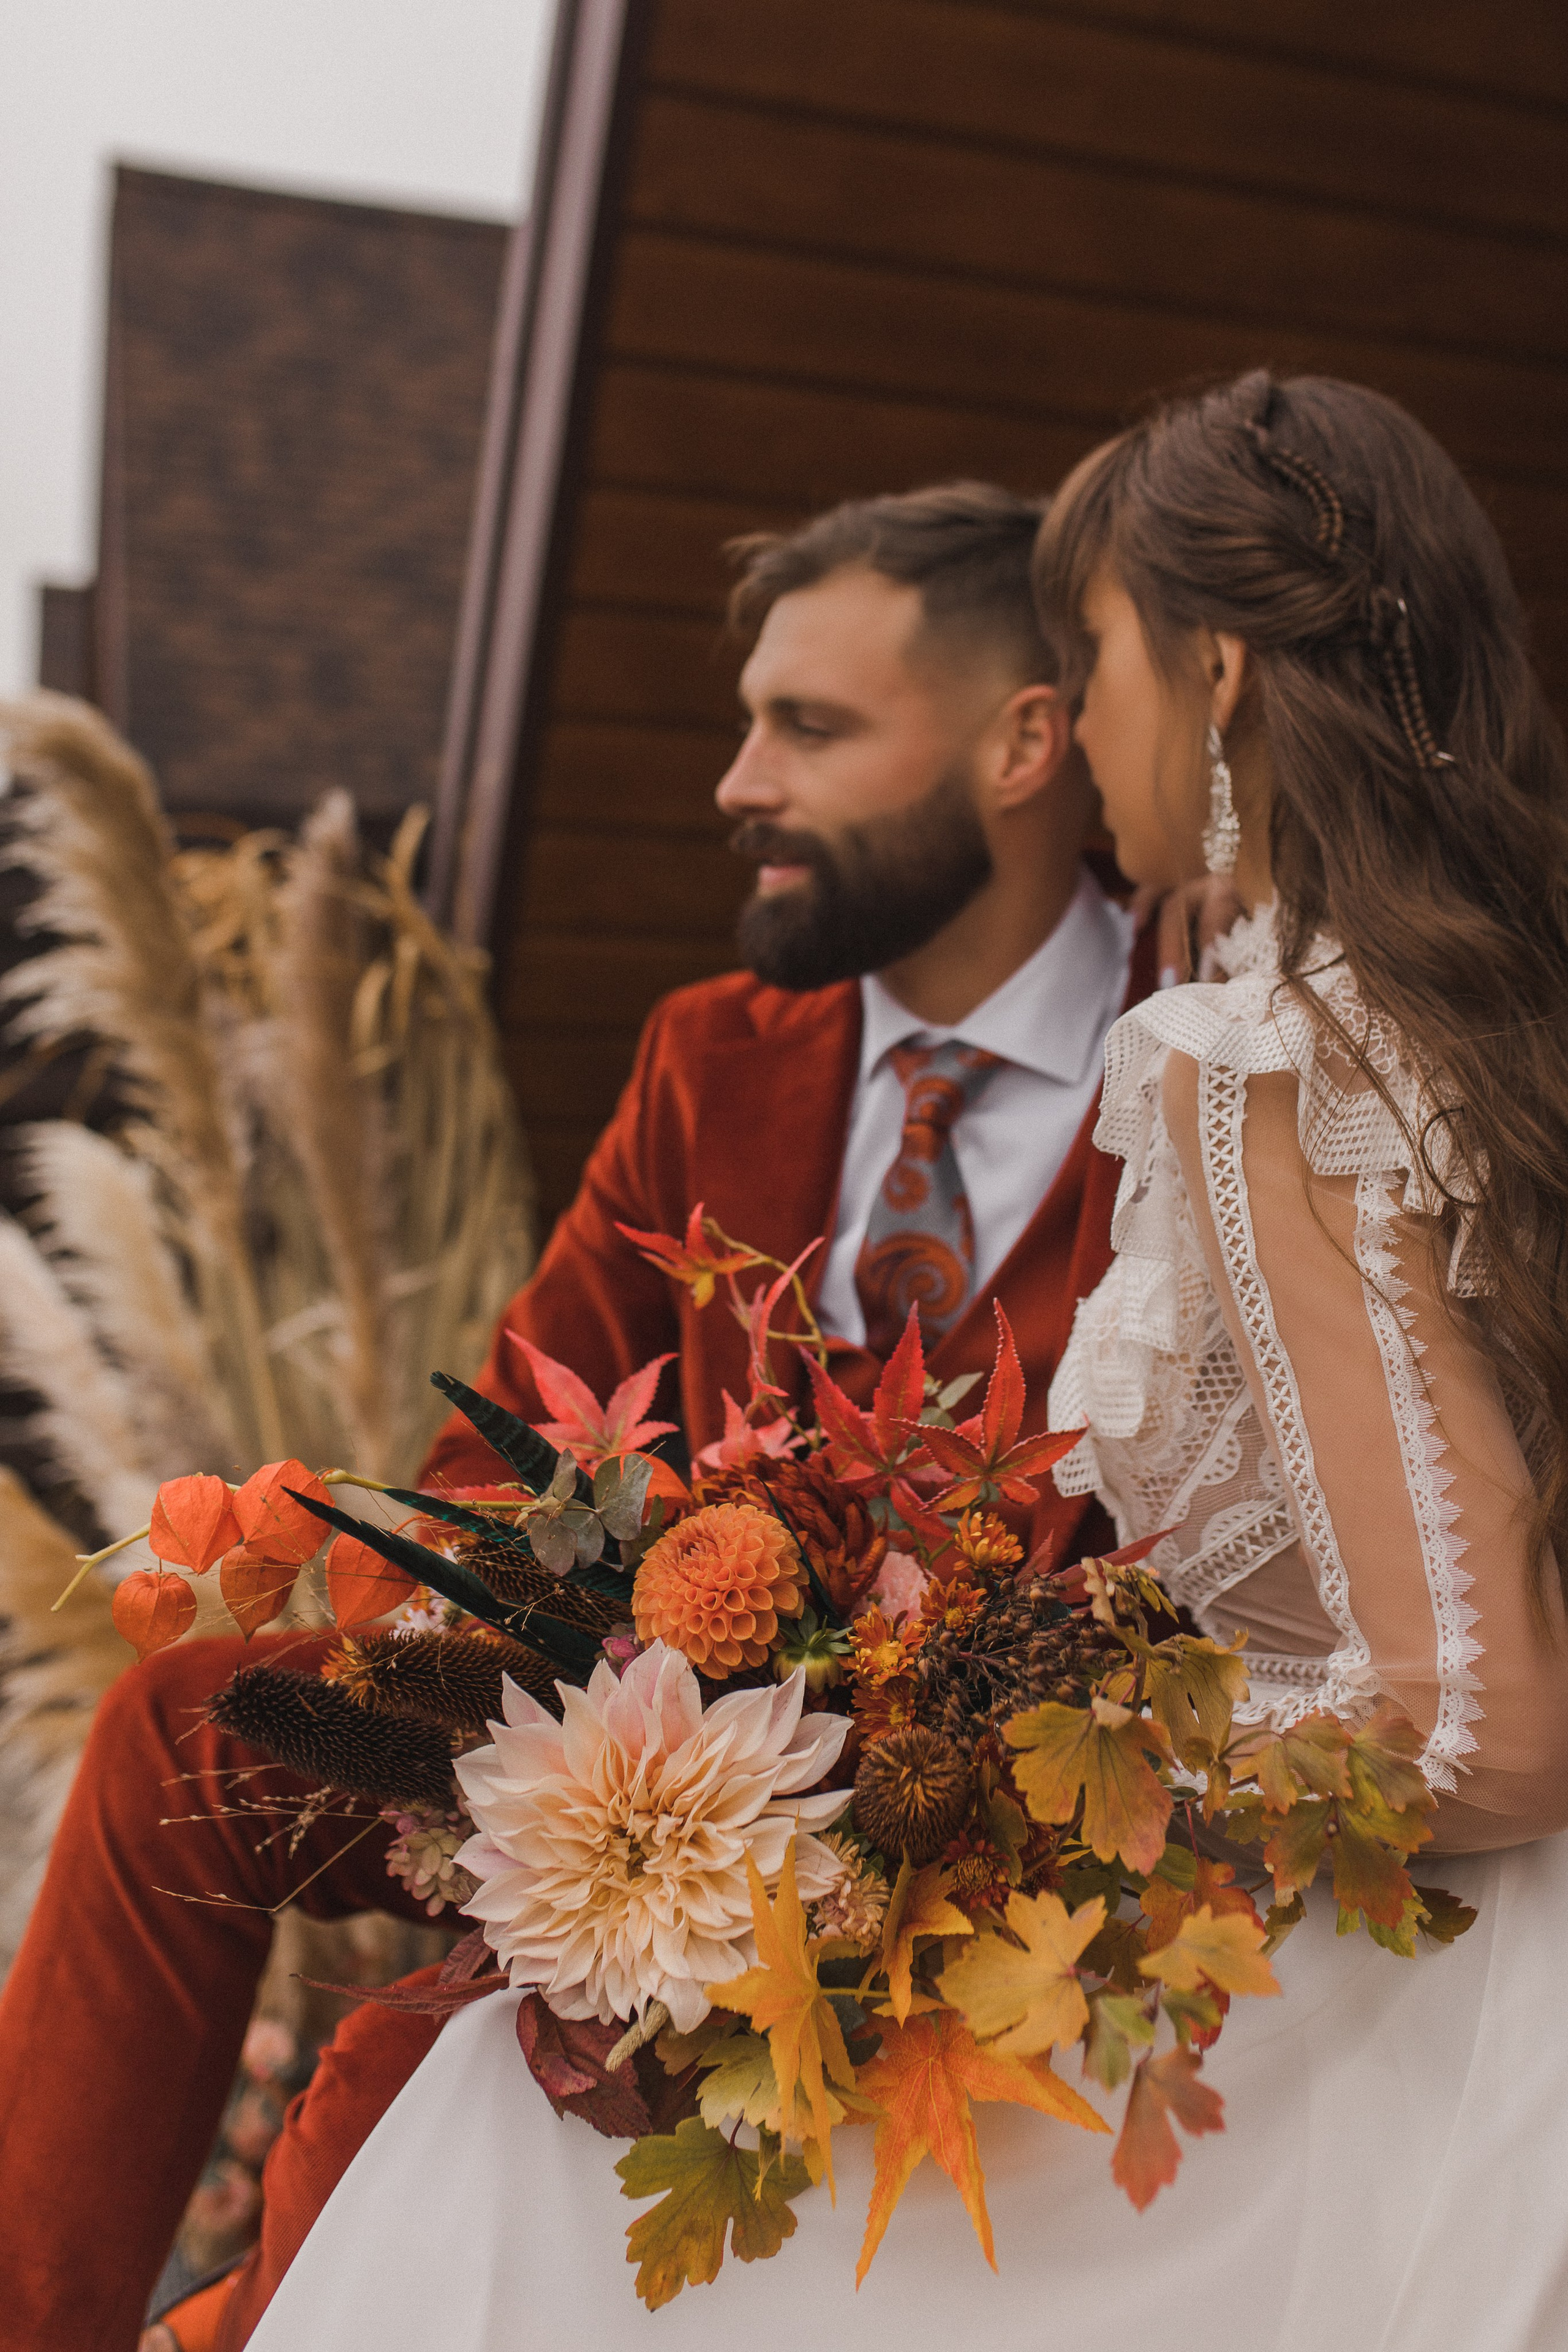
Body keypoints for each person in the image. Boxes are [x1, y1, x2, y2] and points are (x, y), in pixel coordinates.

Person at [233, 372, 1568, 2352]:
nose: (1083, 704)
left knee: (513, 2173)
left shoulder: (1261, 1059)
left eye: (1095, 649)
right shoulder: (1449, 1011)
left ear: (1209, 683)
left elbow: (1487, 1722)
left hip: (1372, 1989)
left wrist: (985, 1811)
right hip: (1409, 1944)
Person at [0, 482, 1154, 2352]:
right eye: (746, 718)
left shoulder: (1198, 1065)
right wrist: (532, 1690)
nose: (736, 779)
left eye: (813, 727)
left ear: (1026, 744)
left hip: (967, 1817)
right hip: (617, 1732)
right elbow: (498, 1453)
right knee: (182, 1737)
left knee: (388, 2076)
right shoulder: (715, 1051)